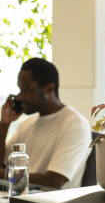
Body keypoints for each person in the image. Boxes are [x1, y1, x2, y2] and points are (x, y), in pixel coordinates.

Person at [0, 58, 92, 189]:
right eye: (20, 89)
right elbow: (2, 166)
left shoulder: (75, 125)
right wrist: (4, 124)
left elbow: (54, 181)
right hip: (20, 202)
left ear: (49, 89)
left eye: (25, 90)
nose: (19, 97)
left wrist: (6, 175)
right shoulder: (25, 125)